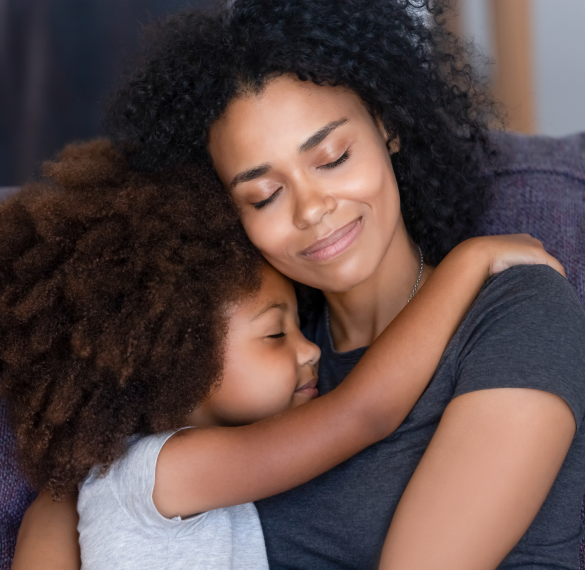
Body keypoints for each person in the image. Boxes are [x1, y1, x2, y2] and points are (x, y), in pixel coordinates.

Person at [13, 1, 585, 569]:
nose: (312, 209)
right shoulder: (258, 357)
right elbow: (84, 488)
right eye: (264, 195)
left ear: (386, 125)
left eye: (332, 157)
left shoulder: (519, 311)